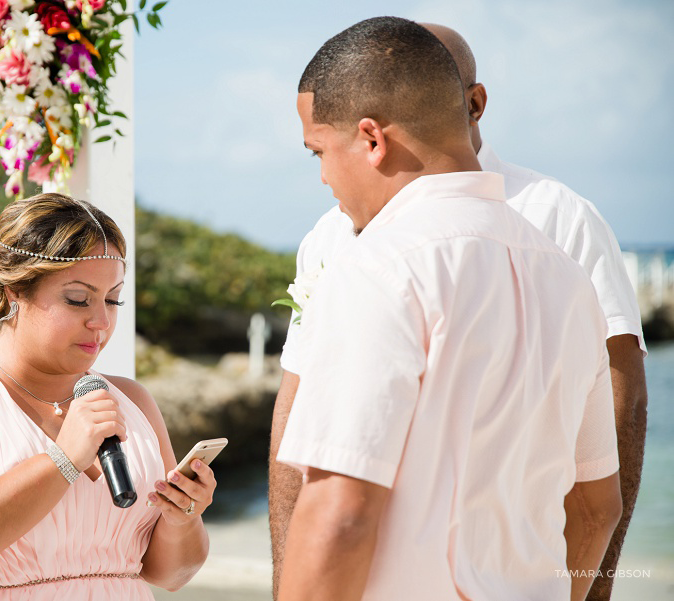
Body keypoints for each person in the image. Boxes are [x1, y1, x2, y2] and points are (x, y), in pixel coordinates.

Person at [269, 21, 648, 601]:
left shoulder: (377, 266)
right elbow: (598, 506)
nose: (321, 175)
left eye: (319, 151)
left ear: (372, 139)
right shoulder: (567, 278)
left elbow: (341, 514)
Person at [0, 193, 216, 599]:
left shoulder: (134, 401)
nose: (101, 321)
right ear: (16, 290)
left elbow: (169, 575)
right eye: (77, 299)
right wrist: (64, 459)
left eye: (112, 299)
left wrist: (183, 517)